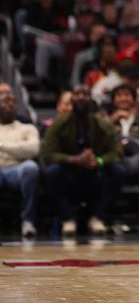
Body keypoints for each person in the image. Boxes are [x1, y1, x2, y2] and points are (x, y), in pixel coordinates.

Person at [42, 84, 125, 235]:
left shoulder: (103, 124)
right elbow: (48, 154)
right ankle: (68, 218)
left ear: (91, 99)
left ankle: (98, 218)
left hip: (94, 173)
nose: (81, 97)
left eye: (85, 94)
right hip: (70, 174)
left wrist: (98, 161)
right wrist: (74, 160)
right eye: (77, 94)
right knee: (52, 172)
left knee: (117, 171)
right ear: (72, 99)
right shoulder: (59, 124)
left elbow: (117, 153)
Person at [0, 93, 40, 238]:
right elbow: (23, 149)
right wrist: (18, 149)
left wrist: (2, 146)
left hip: (17, 170)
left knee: (31, 167)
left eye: (13, 101)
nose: (10, 104)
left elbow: (33, 149)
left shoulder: (27, 128)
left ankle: (28, 221)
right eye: (5, 101)